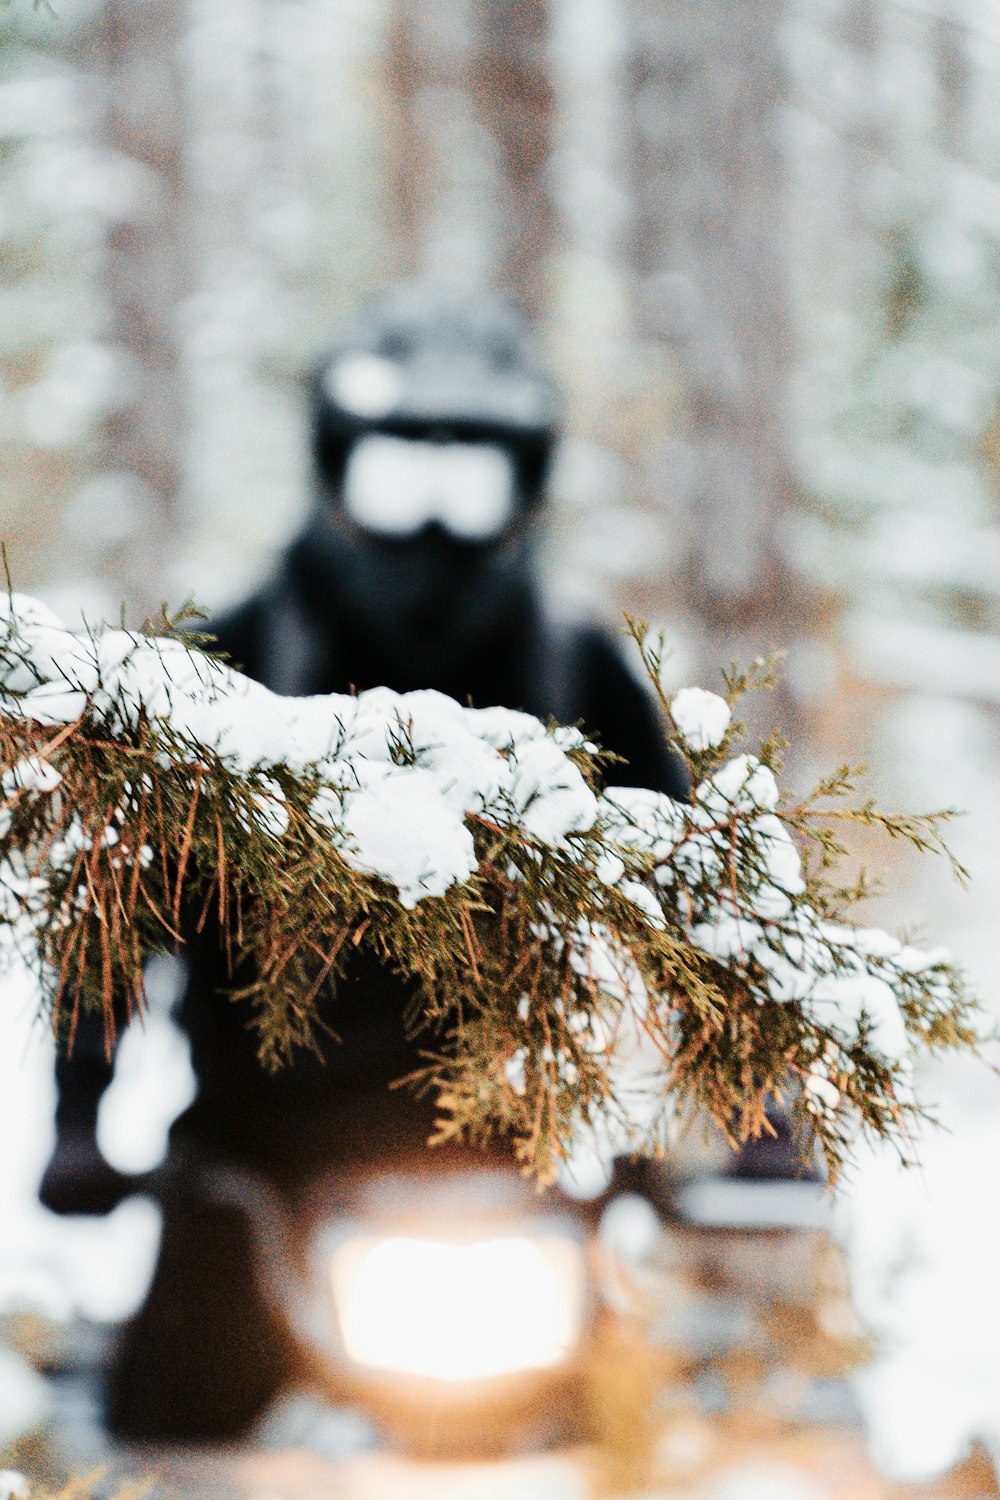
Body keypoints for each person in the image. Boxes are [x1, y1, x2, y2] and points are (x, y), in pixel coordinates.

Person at [39, 285, 689, 1439]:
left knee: (651, 1442)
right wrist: (79, 1125)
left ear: (524, 486)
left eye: (468, 482)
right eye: (402, 478)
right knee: (157, 1440)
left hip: (514, 1176)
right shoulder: (222, 666)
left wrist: (753, 1123)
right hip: (253, 1167)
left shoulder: (581, 672)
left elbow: (702, 912)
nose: (434, 525)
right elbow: (111, 918)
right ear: (339, 473)